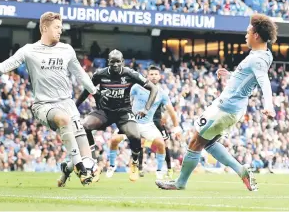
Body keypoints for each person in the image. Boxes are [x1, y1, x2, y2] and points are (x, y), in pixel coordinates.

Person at [0, 12, 98, 187]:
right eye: (57, 27)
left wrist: (96, 94)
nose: (60, 31)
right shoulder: (28, 50)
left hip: (68, 104)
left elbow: (81, 75)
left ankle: (68, 168)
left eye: (61, 28)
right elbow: (1, 69)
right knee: (65, 124)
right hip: (44, 106)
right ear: (44, 28)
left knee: (88, 158)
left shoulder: (67, 50)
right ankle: (80, 167)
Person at [155, 13, 278, 191]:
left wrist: (269, 104)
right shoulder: (264, 54)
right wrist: (231, 76)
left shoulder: (257, 59)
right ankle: (242, 171)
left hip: (225, 108)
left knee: (195, 142)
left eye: (248, 32)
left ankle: (180, 183)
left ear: (256, 35)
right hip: (232, 107)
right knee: (209, 143)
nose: (246, 35)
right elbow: (246, 80)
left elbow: (264, 82)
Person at [76, 49, 158, 182]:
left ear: (122, 62)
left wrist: (146, 108)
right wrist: (75, 107)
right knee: (85, 126)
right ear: (108, 62)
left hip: (123, 112)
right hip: (104, 112)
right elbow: (87, 91)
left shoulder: (130, 74)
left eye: (118, 62)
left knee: (135, 136)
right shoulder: (99, 74)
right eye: (112, 62)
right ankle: (93, 164)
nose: (115, 65)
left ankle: (135, 163)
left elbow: (154, 89)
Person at [106, 65, 181, 180]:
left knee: (161, 144)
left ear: (160, 77)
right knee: (114, 140)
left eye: (156, 74)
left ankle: (160, 170)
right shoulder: (137, 87)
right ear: (147, 76)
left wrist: (176, 128)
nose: (154, 76)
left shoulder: (162, 94)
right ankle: (111, 166)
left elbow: (172, 112)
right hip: (131, 122)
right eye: (151, 74)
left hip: (147, 125)